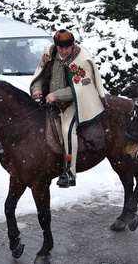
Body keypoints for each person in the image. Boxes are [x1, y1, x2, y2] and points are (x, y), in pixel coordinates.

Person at [30, 29, 106, 188]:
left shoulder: (82, 59)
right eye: (60, 48)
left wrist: (56, 96)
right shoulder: (49, 53)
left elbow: (80, 89)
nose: (63, 51)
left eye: (66, 48)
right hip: (49, 103)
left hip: (73, 104)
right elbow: (41, 75)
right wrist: (36, 89)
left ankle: (70, 172)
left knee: (67, 130)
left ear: (72, 46)